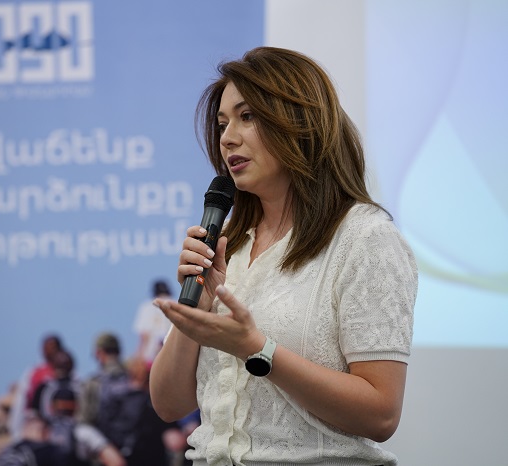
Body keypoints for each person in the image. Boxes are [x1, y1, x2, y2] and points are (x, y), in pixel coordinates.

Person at [149, 47, 418, 466]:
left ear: (300, 122)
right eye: (222, 124)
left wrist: (257, 349)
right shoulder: (226, 245)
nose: (227, 138)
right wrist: (196, 311)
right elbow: (168, 404)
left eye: (247, 116)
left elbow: (381, 414)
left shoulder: (365, 239)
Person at [9, 334, 65, 440]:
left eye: (53, 348)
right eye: (46, 348)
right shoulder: (33, 373)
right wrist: (16, 429)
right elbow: (22, 401)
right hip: (37, 424)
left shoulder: (70, 374)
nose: (49, 351)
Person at [133, 279, 174, 363]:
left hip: (150, 356)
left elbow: (144, 336)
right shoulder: (176, 304)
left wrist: (139, 357)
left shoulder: (147, 306)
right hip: (172, 353)